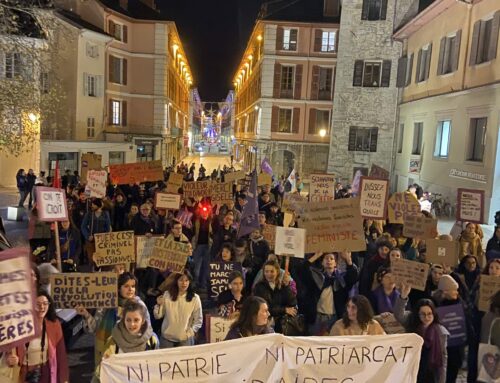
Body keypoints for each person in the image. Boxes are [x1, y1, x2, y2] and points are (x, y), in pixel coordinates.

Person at [76, 272, 150, 365]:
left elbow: (147, 330)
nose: (130, 289)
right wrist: (86, 314)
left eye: (133, 286)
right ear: (118, 288)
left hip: (130, 353)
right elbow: (94, 328)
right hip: (106, 350)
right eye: (126, 286)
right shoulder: (106, 303)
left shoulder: (140, 306)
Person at [9, 290, 69, 383]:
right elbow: (9, 345)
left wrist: (64, 378)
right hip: (25, 371)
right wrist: (11, 357)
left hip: (45, 371)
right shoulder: (20, 325)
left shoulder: (54, 324)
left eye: (45, 303)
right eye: (38, 304)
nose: (42, 307)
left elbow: (61, 353)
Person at [92, 300, 159, 382]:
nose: (132, 324)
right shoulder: (113, 341)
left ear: (143, 321)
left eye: (136, 320)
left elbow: (156, 366)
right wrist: (105, 361)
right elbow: (101, 371)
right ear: (124, 320)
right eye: (128, 320)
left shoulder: (152, 340)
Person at [394, 284, 449, 383]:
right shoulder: (411, 322)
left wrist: (442, 380)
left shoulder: (440, 332)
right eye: (423, 314)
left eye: (429, 314)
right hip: (412, 369)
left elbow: (443, 359)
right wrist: (403, 297)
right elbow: (399, 314)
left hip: (430, 373)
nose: (426, 317)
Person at [298, 251, 358, 335]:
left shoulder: (341, 280)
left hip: (335, 317)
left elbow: (353, 278)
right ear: (322, 263)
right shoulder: (316, 278)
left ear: (335, 263)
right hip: (317, 318)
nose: (329, 260)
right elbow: (302, 270)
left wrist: (348, 260)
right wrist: (316, 255)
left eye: (331, 258)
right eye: (326, 258)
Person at [153, 270, 203, 348]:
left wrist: (189, 333)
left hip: (185, 339)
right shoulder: (167, 294)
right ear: (176, 281)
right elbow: (158, 316)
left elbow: (198, 320)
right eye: (181, 280)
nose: (184, 283)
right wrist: (158, 305)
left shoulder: (195, 298)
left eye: (186, 280)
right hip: (166, 338)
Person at [254, 260, 297, 334]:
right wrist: (284, 310)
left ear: (277, 272)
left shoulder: (283, 286)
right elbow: (266, 309)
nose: (269, 274)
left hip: (282, 326)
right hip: (265, 325)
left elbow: (292, 303)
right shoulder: (259, 287)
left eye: (272, 271)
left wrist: (287, 286)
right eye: (266, 271)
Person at [81, 198, 111, 264]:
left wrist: (104, 237)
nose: (92, 206)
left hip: (101, 241)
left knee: (101, 258)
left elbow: (108, 227)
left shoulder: (105, 214)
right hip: (91, 240)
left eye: (94, 205)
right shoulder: (89, 214)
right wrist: (87, 235)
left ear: (99, 205)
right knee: (92, 259)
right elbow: (83, 226)